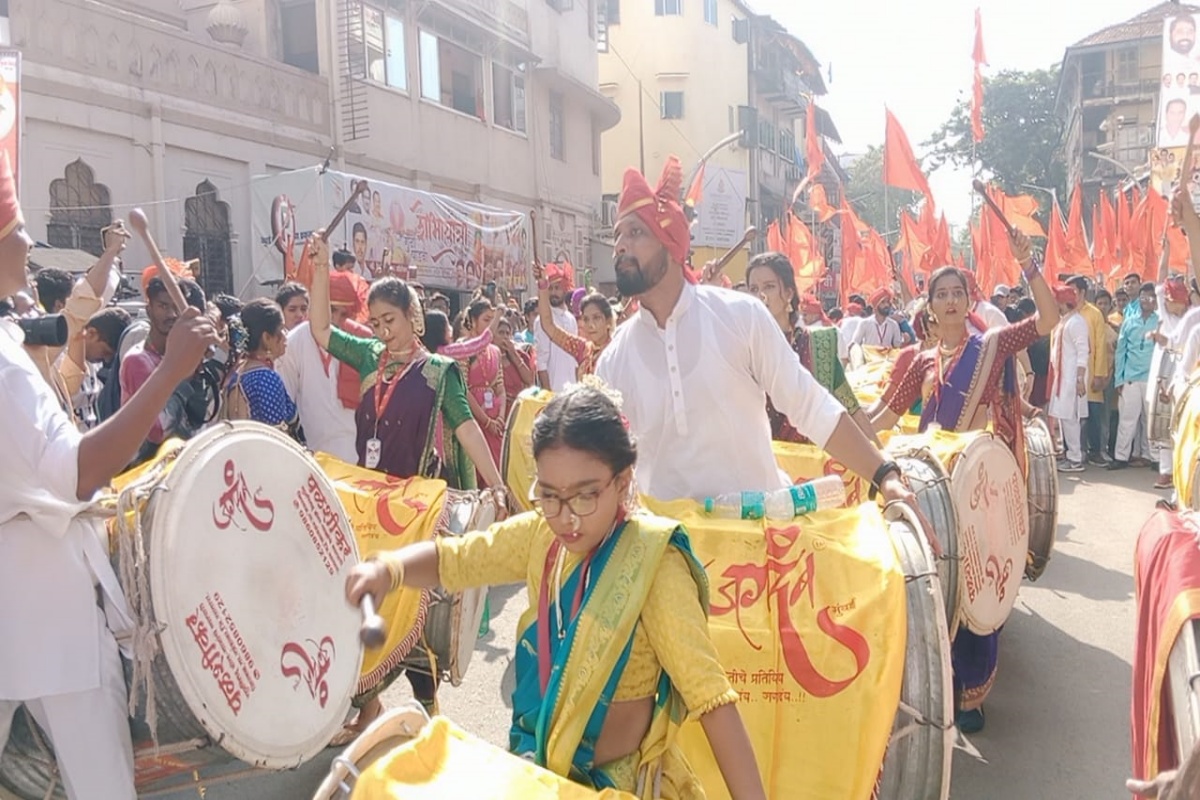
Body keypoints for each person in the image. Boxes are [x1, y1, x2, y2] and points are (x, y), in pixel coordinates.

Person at [344, 384, 767, 799]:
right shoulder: (542, 537)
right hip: (538, 775)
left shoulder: (653, 564)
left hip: (614, 787)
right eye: (549, 496)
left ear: (622, 481)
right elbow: (455, 559)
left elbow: (711, 700)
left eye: (585, 495)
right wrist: (390, 568)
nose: (567, 518)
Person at [0, 149, 220, 798]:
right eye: (18, 229)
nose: (29, 242)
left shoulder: (11, 339)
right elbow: (79, 474)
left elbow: (63, 317)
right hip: (48, 612)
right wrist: (171, 369)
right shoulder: (4, 368)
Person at [596, 156, 913, 509]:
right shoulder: (612, 360)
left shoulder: (739, 316)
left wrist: (884, 475)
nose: (620, 245)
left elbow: (809, 404)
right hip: (668, 541)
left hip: (760, 533)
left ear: (671, 245)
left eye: (636, 232)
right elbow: (605, 466)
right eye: (617, 235)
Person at [308, 233, 507, 733]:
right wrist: (320, 268)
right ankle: (369, 706)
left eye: (390, 321)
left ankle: (429, 713)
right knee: (365, 605)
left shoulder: (438, 372)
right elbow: (321, 330)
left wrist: (497, 484)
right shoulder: (368, 357)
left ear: (413, 317)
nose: (382, 331)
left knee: (414, 611)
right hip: (370, 507)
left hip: (414, 508)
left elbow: (466, 428)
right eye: (375, 322)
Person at [868, 230, 1061, 734]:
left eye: (958, 292)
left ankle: (969, 691)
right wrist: (832, 429)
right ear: (929, 306)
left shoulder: (992, 346)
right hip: (932, 486)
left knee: (975, 581)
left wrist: (1028, 264)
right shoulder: (919, 361)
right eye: (941, 294)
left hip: (977, 490)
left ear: (969, 300)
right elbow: (885, 416)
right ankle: (929, 685)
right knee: (933, 583)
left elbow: (1048, 319)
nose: (951, 300)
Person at [744, 252, 878, 446]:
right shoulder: (744, 349)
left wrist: (881, 456)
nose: (760, 296)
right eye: (753, 289)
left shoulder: (818, 344)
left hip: (808, 458)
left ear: (789, 293)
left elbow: (850, 407)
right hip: (759, 457)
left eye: (769, 287)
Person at [276, 270, 370, 463]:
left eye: (344, 314)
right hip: (317, 458)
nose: (335, 319)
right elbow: (285, 404)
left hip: (361, 458)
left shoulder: (359, 341)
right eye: (331, 310)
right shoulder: (294, 342)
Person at [222, 298, 299, 432]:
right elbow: (275, 435)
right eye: (282, 329)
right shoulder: (265, 378)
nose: (285, 335)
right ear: (267, 338)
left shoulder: (239, 372)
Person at [533, 262, 613, 379]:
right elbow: (548, 325)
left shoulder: (617, 350)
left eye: (596, 318)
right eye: (586, 319)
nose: (591, 325)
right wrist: (543, 285)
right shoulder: (583, 349)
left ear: (608, 321)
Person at [1110, 283, 1160, 471]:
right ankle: (1121, 457)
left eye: (1151, 297)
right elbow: (1120, 352)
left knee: (1151, 420)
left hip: (1152, 379)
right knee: (1127, 419)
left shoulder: (1160, 322)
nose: (1147, 300)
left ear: (1156, 300)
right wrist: (1119, 379)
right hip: (1130, 378)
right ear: (1139, 299)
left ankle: (1154, 458)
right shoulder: (1129, 322)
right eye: (1144, 296)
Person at [1066, 276, 1113, 466]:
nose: (1069, 295)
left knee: (1092, 416)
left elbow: (1100, 346)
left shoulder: (1094, 314)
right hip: (1069, 376)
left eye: (1073, 291)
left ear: (1083, 292)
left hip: (1090, 373)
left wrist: (1099, 374)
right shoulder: (1065, 313)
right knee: (1071, 416)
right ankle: (1075, 451)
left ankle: (1095, 452)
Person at [460, 298, 507, 471]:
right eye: (486, 320)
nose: (491, 325)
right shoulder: (463, 349)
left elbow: (500, 388)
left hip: (495, 419)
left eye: (493, 320)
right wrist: (486, 421)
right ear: (473, 321)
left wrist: (500, 418)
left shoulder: (495, 351)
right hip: (473, 418)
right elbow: (463, 389)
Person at [1048, 285, 1090, 473]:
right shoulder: (1064, 322)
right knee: (1064, 418)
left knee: (1070, 418)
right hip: (1062, 378)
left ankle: (1075, 459)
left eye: (1057, 301)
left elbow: (1083, 352)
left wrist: (1080, 379)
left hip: (1072, 379)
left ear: (1064, 303)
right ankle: (1069, 454)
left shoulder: (1077, 323)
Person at [76, 307, 132, 431]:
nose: (106, 360)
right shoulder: (59, 362)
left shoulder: (95, 366)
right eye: (105, 352)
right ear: (91, 334)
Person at [535, 261, 580, 391]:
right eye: (550, 288)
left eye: (557, 288)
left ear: (565, 289)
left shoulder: (571, 319)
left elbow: (575, 359)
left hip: (572, 390)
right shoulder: (542, 320)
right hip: (554, 391)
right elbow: (541, 361)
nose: (553, 292)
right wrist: (548, 393)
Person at [496, 313, 536, 409]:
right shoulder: (488, 357)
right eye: (501, 333)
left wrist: (513, 354)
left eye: (507, 333)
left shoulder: (520, 354)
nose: (505, 337)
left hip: (518, 408)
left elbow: (530, 380)